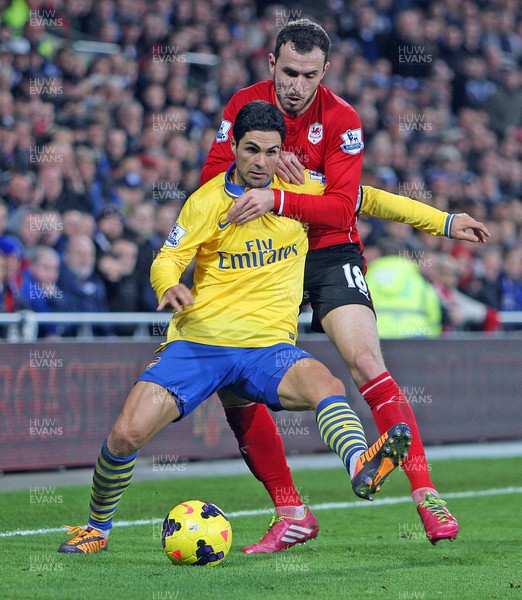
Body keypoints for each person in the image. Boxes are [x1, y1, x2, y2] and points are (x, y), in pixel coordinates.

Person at [57, 101, 411, 555]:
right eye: (251, 150)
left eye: (271, 151)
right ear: (235, 148)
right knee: (126, 433)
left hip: (267, 349)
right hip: (199, 344)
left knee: (327, 382)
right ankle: (97, 529)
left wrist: (445, 222)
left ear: (283, 150)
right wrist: (169, 285)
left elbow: (370, 199)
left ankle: (360, 462)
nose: (261, 162)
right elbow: (168, 258)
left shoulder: (300, 189)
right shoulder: (206, 202)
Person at [201, 20, 490, 551]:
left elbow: (344, 204)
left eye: (309, 75)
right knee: (235, 381)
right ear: (271, 64)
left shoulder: (341, 118)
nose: (296, 85)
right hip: (265, 254)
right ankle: (291, 511)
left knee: (366, 363)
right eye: (288, 71)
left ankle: (426, 495)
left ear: (325, 72)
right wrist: (261, 174)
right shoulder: (245, 107)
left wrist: (283, 194)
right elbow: (210, 184)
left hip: (330, 247)